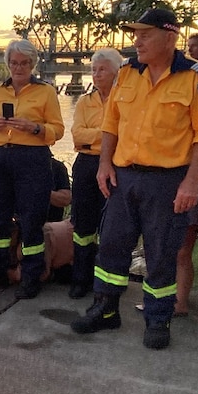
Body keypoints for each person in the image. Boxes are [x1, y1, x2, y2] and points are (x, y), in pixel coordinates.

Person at [71, 8, 198, 350]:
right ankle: (106, 309)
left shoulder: (197, 77)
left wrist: (192, 182)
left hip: (168, 181)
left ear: (170, 38)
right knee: (111, 245)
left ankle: (157, 318)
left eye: (145, 34)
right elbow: (111, 123)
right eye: (135, 33)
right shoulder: (126, 71)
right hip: (124, 177)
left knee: (161, 253)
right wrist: (105, 164)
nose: (136, 40)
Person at [0, 39, 65, 299]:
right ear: (8, 64)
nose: (18, 67)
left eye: (24, 63)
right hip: (1, 156)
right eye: (14, 63)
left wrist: (34, 127)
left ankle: (32, 275)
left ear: (32, 64)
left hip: (32, 157)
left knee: (31, 219)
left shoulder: (45, 91)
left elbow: (57, 130)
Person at [68, 48, 124, 299]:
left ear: (116, 71)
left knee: (112, 228)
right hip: (86, 165)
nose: (96, 74)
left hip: (115, 166)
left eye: (102, 69)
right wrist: (106, 136)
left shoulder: (124, 101)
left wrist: (97, 138)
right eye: (93, 69)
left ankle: (108, 287)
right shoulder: (84, 101)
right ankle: (81, 279)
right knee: (83, 225)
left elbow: (125, 137)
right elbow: (77, 136)